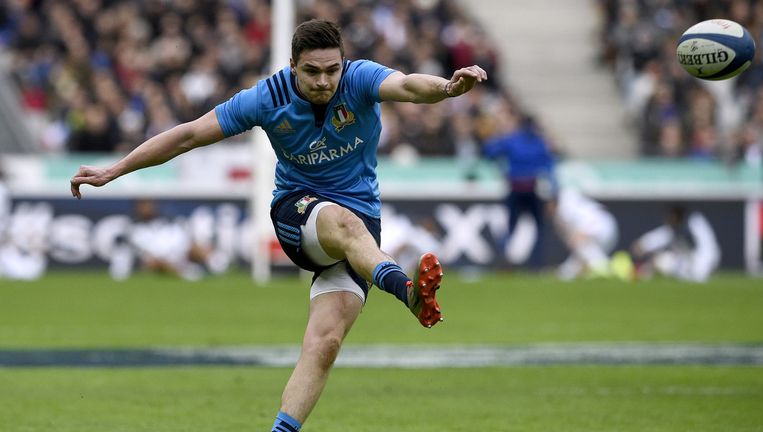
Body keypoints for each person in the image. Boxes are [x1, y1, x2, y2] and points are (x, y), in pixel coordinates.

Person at [69, 19, 487, 432]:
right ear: (292, 66)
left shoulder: (360, 79)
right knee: (343, 222)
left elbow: (410, 85)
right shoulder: (267, 97)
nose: (324, 81)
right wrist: (115, 170)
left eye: (331, 70)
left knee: (324, 345)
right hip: (297, 213)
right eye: (311, 71)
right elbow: (188, 135)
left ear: (344, 63)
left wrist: (448, 88)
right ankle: (408, 292)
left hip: (361, 229)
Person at [483, 107, 557, 270]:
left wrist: (502, 169)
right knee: (539, 227)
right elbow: (549, 167)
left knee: (511, 227)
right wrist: (553, 193)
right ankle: (537, 264)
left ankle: (504, 260)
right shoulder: (540, 142)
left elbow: (489, 152)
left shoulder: (512, 139)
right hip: (532, 188)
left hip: (515, 187)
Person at [631, 205, 721, 283]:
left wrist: (644, 244)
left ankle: (642, 273)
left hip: (701, 264)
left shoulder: (693, 222)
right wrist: (644, 244)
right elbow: (663, 235)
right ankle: (642, 273)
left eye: (671, 217)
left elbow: (666, 234)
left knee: (662, 260)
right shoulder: (687, 222)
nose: (669, 220)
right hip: (696, 262)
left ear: (676, 216)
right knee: (661, 259)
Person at [547, 188, 621, 281]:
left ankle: (605, 269)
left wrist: (582, 233)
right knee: (583, 250)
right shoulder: (564, 208)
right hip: (605, 224)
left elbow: (588, 221)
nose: (547, 207)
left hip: (601, 224)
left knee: (582, 246)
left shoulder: (566, 208)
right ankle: (566, 273)